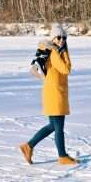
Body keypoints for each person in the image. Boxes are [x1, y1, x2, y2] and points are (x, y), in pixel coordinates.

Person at [20, 23, 78, 165]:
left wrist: (63, 49)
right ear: (53, 39)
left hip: (54, 92)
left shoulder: (55, 51)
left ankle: (28, 146)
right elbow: (66, 69)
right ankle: (62, 156)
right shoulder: (54, 52)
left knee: (53, 126)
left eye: (64, 38)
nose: (61, 41)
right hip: (55, 93)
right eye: (58, 38)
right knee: (58, 127)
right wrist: (64, 51)